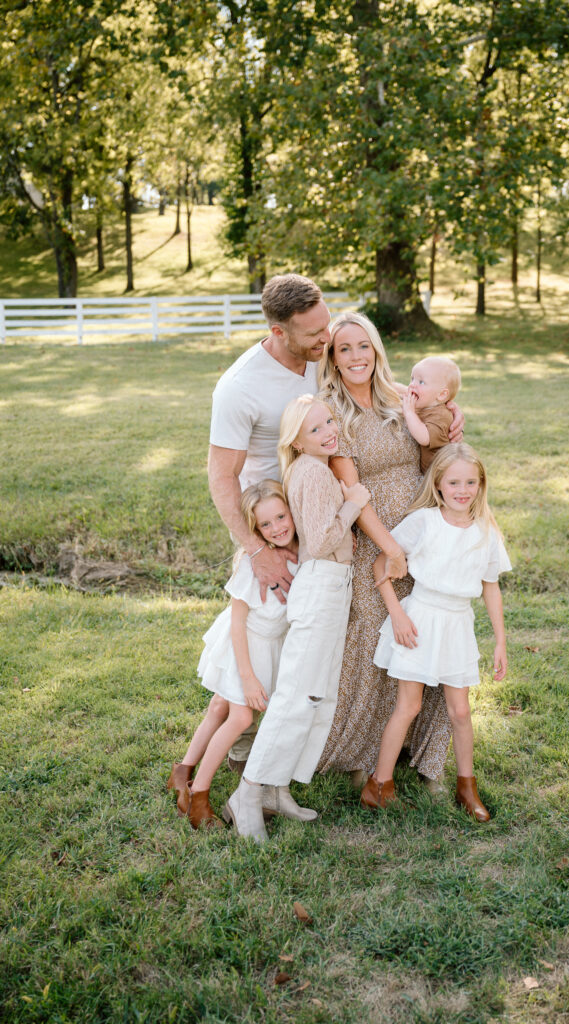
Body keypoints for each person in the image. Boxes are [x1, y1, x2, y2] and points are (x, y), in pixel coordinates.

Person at [316, 312, 460, 791]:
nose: (356, 357)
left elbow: (443, 411)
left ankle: (425, 753)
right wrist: (390, 547)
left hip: (427, 530)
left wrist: (455, 417)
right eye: (344, 349)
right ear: (333, 360)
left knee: (431, 633)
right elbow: (350, 490)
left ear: (376, 349)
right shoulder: (331, 412)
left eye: (364, 346)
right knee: (374, 642)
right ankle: (362, 754)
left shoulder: (401, 396)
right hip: (375, 538)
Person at [226, 396, 370, 842]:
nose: (328, 430)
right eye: (315, 429)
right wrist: (356, 502)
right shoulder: (312, 472)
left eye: (329, 420)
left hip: (334, 584)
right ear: (297, 441)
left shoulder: (316, 469)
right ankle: (248, 792)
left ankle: (276, 787)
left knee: (315, 696)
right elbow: (323, 538)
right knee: (295, 697)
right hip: (322, 583)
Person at [207, 274, 331, 770]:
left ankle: (295, 745)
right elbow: (221, 476)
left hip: (317, 523)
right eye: (313, 333)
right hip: (272, 530)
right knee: (263, 639)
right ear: (279, 332)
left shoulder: (321, 357)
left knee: (307, 640)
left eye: (327, 325)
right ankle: (241, 750)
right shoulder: (241, 386)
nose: (326, 338)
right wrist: (258, 551)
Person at [361, 443, 511, 820]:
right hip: (420, 620)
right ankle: (378, 785)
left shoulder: (485, 531)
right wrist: (396, 614)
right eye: (454, 482)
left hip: (457, 624)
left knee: (460, 711)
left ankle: (466, 786)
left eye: (471, 482)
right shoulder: (423, 522)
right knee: (408, 706)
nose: (463, 490)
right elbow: (381, 565)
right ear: (439, 485)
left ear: (481, 484)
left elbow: (490, 585)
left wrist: (500, 641)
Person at [167, 480, 309, 828]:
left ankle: (181, 771)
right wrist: (247, 675)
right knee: (241, 718)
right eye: (266, 524)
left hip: (270, 643)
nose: (277, 527)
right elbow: (237, 621)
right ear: (254, 529)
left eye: (281, 516)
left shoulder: (301, 552)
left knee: (219, 706)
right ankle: (196, 795)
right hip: (244, 643)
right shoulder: (252, 563)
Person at [402, 356, 462, 473]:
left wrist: (409, 413)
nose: (412, 385)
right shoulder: (424, 405)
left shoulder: (442, 416)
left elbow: (424, 438)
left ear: (441, 395)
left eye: (421, 382)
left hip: (442, 475)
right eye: (412, 379)